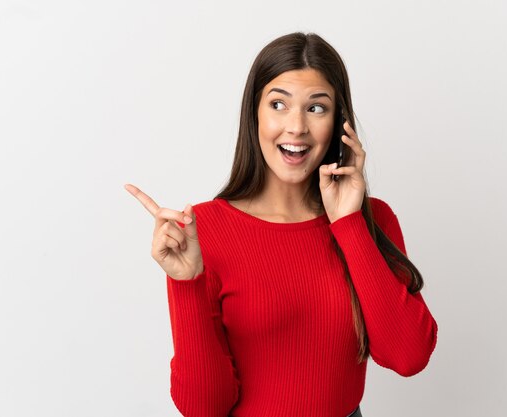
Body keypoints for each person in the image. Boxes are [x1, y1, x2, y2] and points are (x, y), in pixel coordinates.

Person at [125, 31, 438, 417]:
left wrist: (349, 224)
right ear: (254, 113)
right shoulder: (201, 230)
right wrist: (186, 284)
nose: (296, 127)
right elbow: (204, 408)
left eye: (316, 108)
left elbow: (408, 356)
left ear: (339, 123)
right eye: (278, 104)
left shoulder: (372, 220)